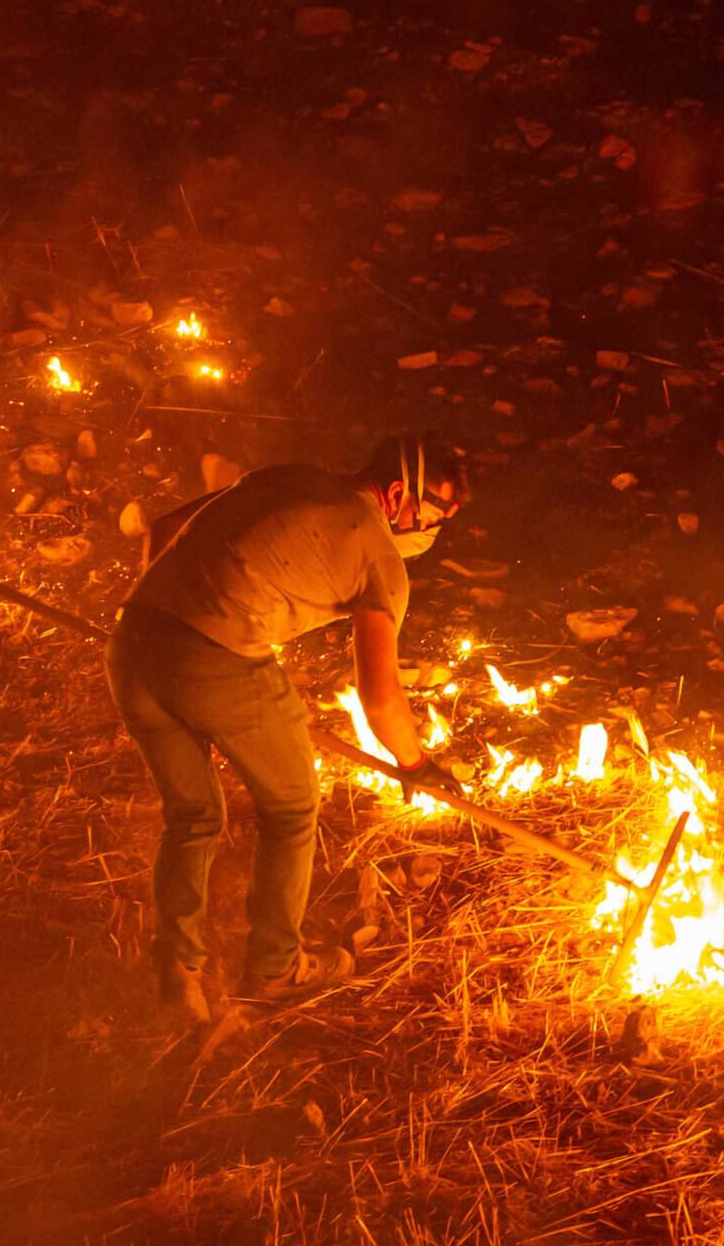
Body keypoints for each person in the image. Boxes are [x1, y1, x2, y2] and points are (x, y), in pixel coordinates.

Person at [107, 433, 468, 1022]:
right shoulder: (379, 557)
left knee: (193, 814)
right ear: (399, 493)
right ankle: (276, 969)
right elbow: (381, 700)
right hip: (218, 658)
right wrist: (416, 765)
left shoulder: (288, 473)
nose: (431, 530)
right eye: (431, 514)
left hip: (132, 642)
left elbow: (162, 527)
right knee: (294, 808)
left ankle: (178, 975)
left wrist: (170, 622)